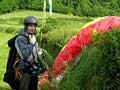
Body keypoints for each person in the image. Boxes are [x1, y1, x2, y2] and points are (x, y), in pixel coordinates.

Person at [15, 16, 46, 90]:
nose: (33, 28)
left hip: (33, 69)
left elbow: (33, 54)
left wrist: (38, 51)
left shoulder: (32, 37)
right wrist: (32, 44)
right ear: (26, 26)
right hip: (24, 70)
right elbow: (25, 55)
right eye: (30, 26)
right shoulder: (20, 39)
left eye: (34, 26)